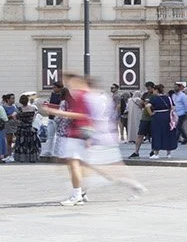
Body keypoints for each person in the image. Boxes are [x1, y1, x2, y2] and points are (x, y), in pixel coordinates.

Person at [37, 72, 146, 205]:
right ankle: (82, 191)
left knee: (101, 168)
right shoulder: (101, 97)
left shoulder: (90, 97)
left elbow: (88, 117)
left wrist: (89, 136)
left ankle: (133, 186)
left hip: (95, 136)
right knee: (91, 166)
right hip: (98, 134)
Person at [147, 84, 178, 158]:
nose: (153, 91)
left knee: (157, 134)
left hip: (157, 117)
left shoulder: (154, 98)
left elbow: (147, 106)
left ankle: (156, 153)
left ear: (156, 90)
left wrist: (151, 114)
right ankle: (168, 153)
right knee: (168, 134)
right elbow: (173, 107)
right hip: (167, 117)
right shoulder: (168, 98)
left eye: (154, 90)